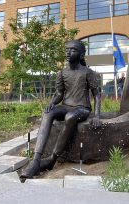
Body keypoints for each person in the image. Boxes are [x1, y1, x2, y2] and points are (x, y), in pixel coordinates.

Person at [20, 40, 102, 180]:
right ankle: (35, 160)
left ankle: (52, 158)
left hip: (82, 108)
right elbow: (59, 94)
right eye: (66, 50)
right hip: (66, 105)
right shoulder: (62, 73)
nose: (68, 53)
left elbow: (97, 95)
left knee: (70, 117)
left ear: (82, 54)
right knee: (48, 113)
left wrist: (97, 116)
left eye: (73, 50)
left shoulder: (88, 72)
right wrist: (51, 103)